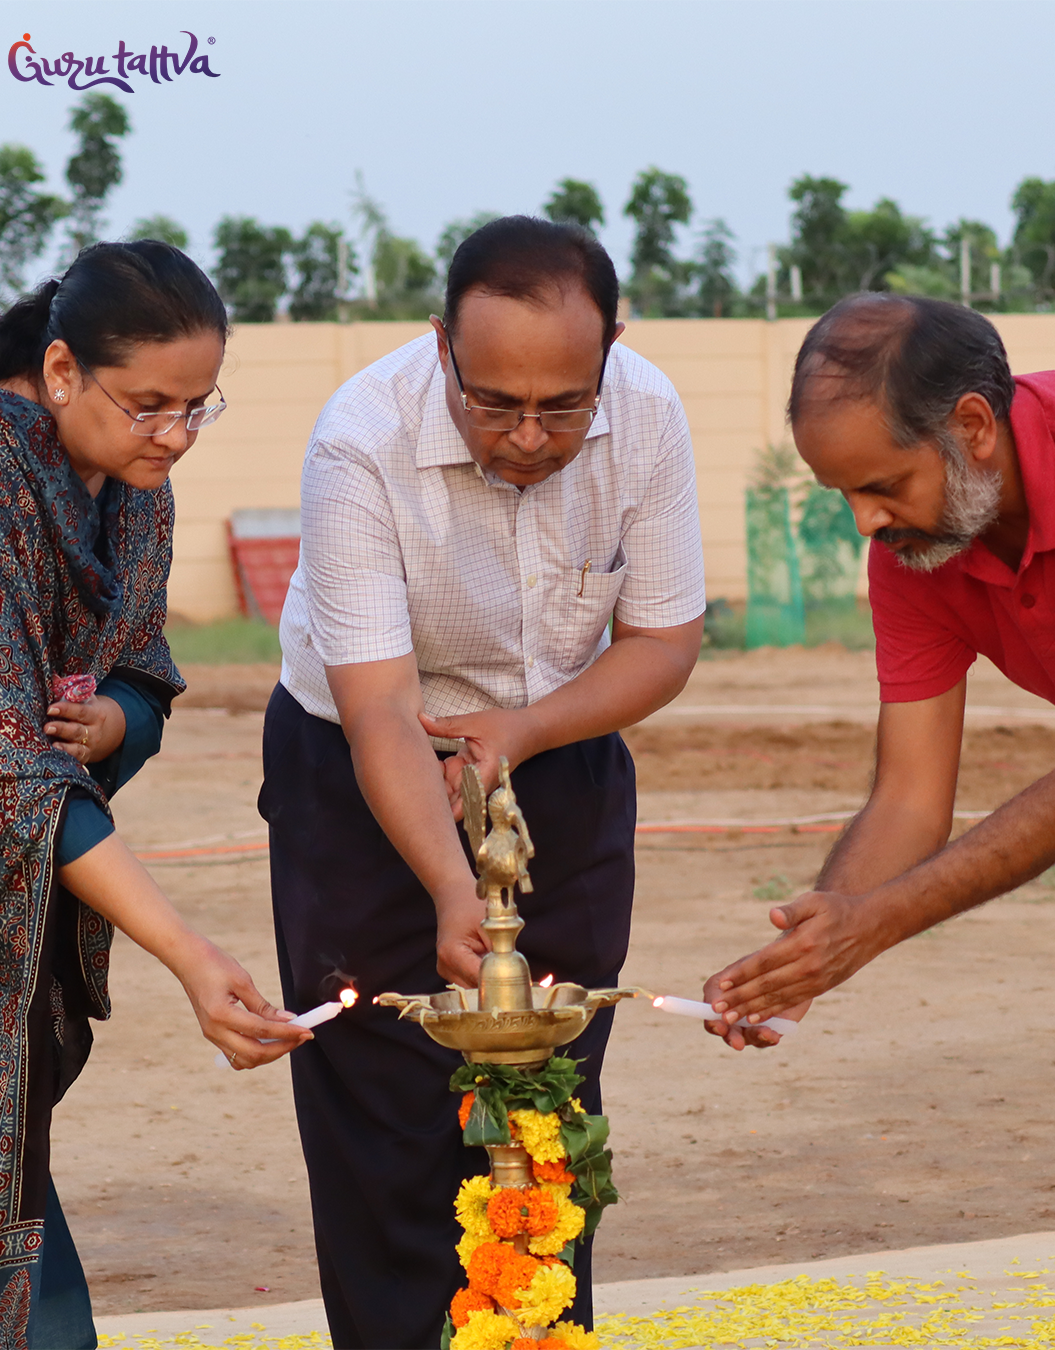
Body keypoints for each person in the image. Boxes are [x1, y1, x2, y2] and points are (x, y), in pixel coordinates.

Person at [261, 216, 705, 1348]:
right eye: (494, 403)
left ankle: (538, 1333)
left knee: (546, 1103)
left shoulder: (648, 413)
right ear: (440, 347)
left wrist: (528, 729)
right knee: (387, 1111)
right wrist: (453, 890)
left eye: (564, 406)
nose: (529, 437)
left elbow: (663, 641)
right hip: (360, 774)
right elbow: (377, 708)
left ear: (612, 350)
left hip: (560, 754)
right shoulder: (360, 436)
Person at [0, 241, 309, 1349]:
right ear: (61, 370)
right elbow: (4, 773)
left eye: (196, 407)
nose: (174, 434)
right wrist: (189, 953)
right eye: (149, 406)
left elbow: (141, 672)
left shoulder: (131, 488)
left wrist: (117, 718)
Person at [704, 292, 1055, 1047]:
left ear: (972, 427)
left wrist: (876, 922)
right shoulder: (914, 552)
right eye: (845, 494)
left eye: (884, 487)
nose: (865, 522)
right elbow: (909, 800)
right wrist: (809, 952)